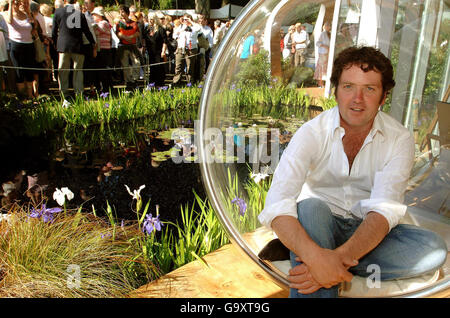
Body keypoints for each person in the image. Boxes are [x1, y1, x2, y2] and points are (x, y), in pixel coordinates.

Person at [258, 46, 447, 298]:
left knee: (433, 249)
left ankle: (313, 259)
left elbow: (383, 211)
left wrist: (330, 261)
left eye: (369, 89)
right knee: (310, 207)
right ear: (336, 91)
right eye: (348, 87)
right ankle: (318, 255)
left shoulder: (399, 138)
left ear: (383, 97)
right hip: (319, 220)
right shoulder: (312, 132)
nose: (357, 99)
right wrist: (316, 256)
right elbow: (277, 204)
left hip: (368, 231)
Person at [52, 0, 96, 99]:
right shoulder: (79, 14)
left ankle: (64, 94)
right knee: (78, 71)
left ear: (64, 1)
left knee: (63, 71)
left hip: (63, 46)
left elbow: (54, 31)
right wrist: (93, 43)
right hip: (77, 46)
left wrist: (55, 44)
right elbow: (87, 32)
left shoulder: (58, 12)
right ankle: (79, 93)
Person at [5, 0, 36, 98]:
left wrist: (27, 11)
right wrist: (10, 4)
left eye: (18, 2)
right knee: (19, 71)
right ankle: (23, 96)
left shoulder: (26, 14)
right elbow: (9, 21)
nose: (17, 4)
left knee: (29, 70)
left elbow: (34, 25)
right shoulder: (8, 14)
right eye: (15, 2)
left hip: (29, 44)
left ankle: (30, 95)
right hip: (16, 45)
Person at [115, 4, 140, 91]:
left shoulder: (133, 23)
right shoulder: (119, 23)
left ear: (126, 13)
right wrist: (127, 38)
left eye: (122, 11)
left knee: (136, 63)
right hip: (123, 47)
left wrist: (129, 37)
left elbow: (137, 33)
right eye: (120, 12)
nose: (121, 13)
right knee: (125, 66)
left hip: (133, 46)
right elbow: (118, 34)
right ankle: (128, 82)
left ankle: (134, 80)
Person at [172, 13, 201, 86]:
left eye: (187, 19)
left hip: (191, 49)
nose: (185, 21)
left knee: (190, 68)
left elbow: (199, 28)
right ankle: (176, 83)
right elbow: (174, 34)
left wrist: (191, 22)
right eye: (184, 19)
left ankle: (190, 83)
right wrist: (177, 38)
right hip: (180, 49)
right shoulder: (181, 27)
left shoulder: (194, 27)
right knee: (178, 67)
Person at [143, 11, 167, 87]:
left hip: (159, 51)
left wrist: (163, 51)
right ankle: (152, 83)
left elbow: (164, 41)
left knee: (159, 67)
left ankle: (160, 84)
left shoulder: (161, 29)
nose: (150, 20)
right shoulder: (147, 29)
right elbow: (144, 39)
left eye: (152, 19)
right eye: (149, 19)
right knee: (152, 67)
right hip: (150, 51)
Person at [91, 6, 111, 93]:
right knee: (99, 69)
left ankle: (105, 88)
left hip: (104, 49)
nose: (93, 17)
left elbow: (97, 30)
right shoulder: (100, 24)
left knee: (102, 70)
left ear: (100, 16)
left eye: (95, 15)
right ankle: (100, 88)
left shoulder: (104, 23)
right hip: (99, 49)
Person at [313, 21, 331, 88]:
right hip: (323, 53)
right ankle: (320, 84)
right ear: (325, 27)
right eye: (328, 26)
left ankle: (325, 84)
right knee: (320, 68)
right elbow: (317, 43)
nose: (329, 27)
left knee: (326, 69)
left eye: (330, 26)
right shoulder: (322, 34)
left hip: (328, 54)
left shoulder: (330, 34)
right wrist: (324, 46)